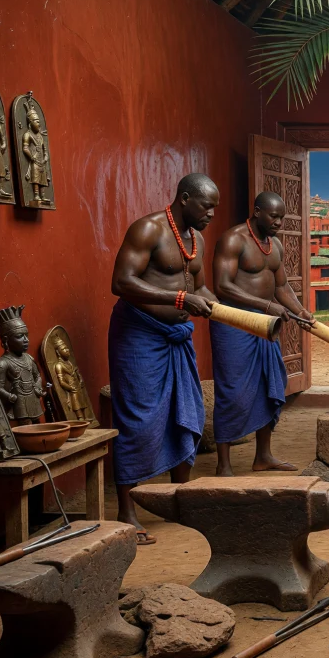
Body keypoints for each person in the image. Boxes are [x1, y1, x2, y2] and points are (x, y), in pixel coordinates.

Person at [109, 173, 219, 545]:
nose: (211, 214)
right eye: (206, 206)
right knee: (139, 420)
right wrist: (178, 300)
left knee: (186, 411)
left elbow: (198, 285)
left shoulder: (196, 240)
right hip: (139, 335)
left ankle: (180, 499)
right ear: (185, 198)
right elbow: (121, 282)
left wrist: (216, 305)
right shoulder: (148, 229)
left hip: (176, 338)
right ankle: (127, 511)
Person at [210, 191, 315, 477]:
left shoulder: (275, 245)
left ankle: (263, 456)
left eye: (282, 217)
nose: (279, 222)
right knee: (232, 392)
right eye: (274, 216)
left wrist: (300, 311)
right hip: (235, 323)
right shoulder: (233, 240)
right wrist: (266, 306)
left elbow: (281, 286)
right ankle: (224, 465)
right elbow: (222, 287)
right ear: (257, 212)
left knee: (270, 386)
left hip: (267, 326)